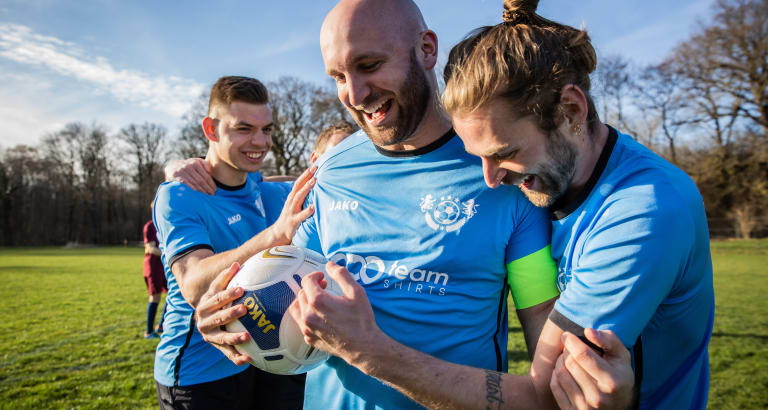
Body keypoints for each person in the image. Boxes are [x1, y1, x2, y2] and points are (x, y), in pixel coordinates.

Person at [195, 1, 635, 409]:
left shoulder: (503, 169)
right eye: (338, 76)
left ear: (426, 49)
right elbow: (291, 274)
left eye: (369, 66)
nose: (354, 93)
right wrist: (228, 315)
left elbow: (542, 327)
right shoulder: (333, 168)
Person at [290, 0, 715, 409]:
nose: (490, 179)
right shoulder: (549, 183)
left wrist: (366, 348)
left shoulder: (642, 212)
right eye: (337, 75)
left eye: (503, 151)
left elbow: (545, 395)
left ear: (571, 109)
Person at [152, 75, 315, 410]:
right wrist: (274, 235)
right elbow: (194, 284)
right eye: (244, 128)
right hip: (199, 372)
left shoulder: (264, 188)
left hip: (267, 358)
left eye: (267, 129)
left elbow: (316, 177)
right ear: (211, 130)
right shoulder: (179, 195)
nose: (260, 141)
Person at [142, 217, 167, 339]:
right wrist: (168, 253)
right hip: (153, 266)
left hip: (164, 267)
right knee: (155, 297)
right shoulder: (149, 226)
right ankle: (149, 331)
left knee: (173, 293)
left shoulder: (165, 223)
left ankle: (162, 325)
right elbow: (150, 248)